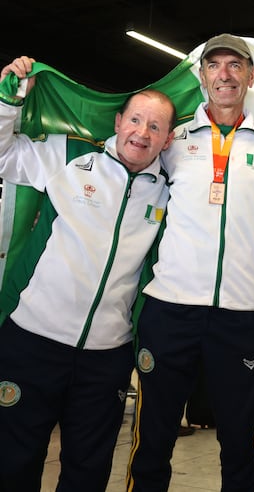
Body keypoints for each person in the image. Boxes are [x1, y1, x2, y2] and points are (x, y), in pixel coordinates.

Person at [0, 56, 176, 491]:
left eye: (155, 127)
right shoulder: (71, 155)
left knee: (87, 472)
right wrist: (7, 102)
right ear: (118, 122)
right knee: (12, 463)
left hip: (106, 358)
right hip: (32, 341)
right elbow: (5, 155)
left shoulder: (171, 191)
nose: (142, 133)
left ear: (168, 138)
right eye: (136, 120)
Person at [126, 34, 254, 491]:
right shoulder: (172, 140)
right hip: (170, 307)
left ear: (251, 77)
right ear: (202, 76)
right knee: (152, 435)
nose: (225, 75)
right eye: (215, 66)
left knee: (238, 439)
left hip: (236, 314)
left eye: (235, 66)